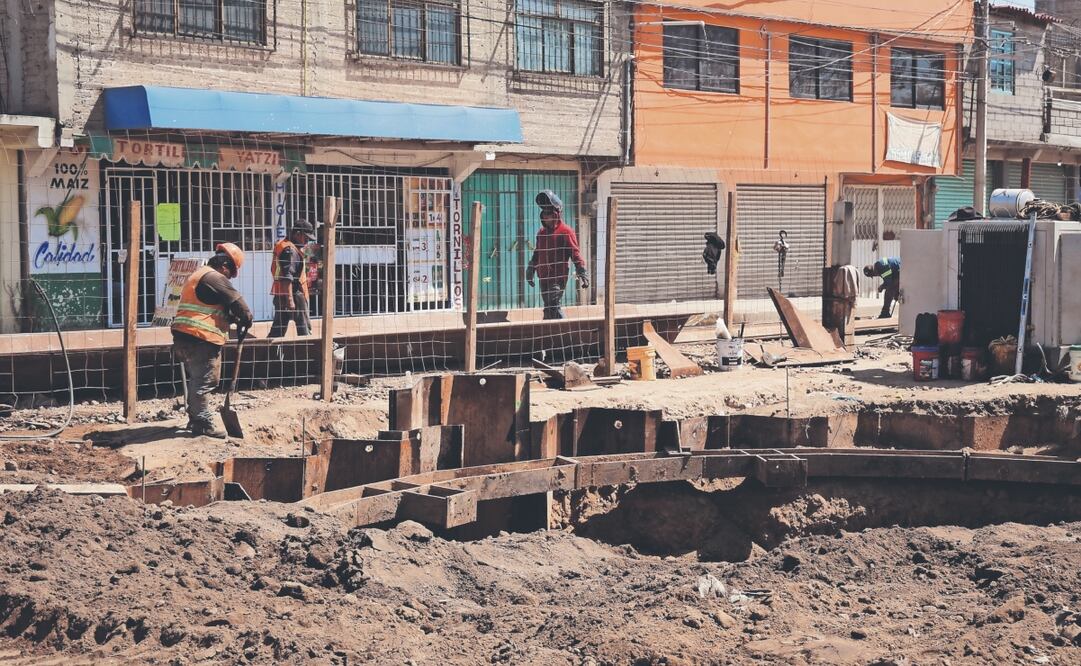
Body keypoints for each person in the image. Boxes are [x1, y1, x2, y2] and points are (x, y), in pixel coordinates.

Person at [171, 243, 253, 438]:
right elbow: (239, 304)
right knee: (205, 381)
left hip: (184, 336)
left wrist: (231, 319)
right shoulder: (215, 277)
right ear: (224, 266)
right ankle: (202, 424)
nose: (229, 278)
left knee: (198, 379)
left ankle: (195, 418)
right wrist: (246, 319)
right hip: (200, 337)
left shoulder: (199, 275)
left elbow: (210, 307)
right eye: (230, 273)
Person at [526, 190, 588, 320]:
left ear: (556, 214)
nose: (546, 217)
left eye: (549, 213)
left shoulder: (566, 231)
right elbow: (537, 253)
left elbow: (575, 252)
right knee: (548, 307)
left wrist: (581, 270)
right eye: (544, 213)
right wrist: (531, 269)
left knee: (554, 305)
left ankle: (565, 328)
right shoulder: (541, 233)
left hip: (558, 276)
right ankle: (549, 330)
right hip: (543, 276)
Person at [269, 220, 314, 337]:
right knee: (304, 328)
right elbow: (287, 277)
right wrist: (290, 300)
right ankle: (307, 347)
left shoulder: (285, 245)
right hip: (294, 294)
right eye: (306, 238)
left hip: (281, 294)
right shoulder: (290, 250)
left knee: (278, 329)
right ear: (297, 234)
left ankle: (270, 349)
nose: (307, 241)